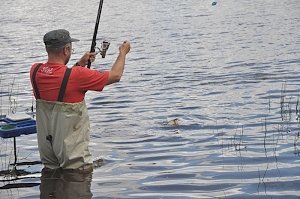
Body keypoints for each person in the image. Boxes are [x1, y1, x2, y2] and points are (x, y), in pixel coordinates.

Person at [30, 29, 130, 172]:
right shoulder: (78, 75)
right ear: (66, 50)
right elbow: (115, 76)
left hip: (49, 156)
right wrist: (122, 53)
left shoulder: (35, 71)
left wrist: (80, 63)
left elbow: (61, 80)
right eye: (71, 48)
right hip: (74, 162)